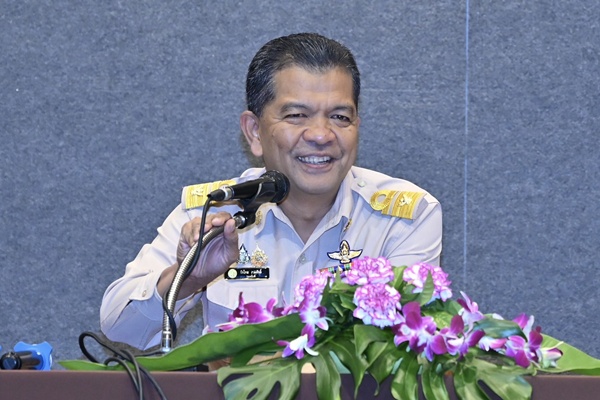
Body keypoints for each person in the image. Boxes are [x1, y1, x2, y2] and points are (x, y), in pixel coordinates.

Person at [100, 32, 442, 350]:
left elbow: (403, 350)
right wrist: (188, 277)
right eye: (296, 115)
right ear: (254, 132)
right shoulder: (216, 211)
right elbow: (120, 328)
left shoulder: (404, 217)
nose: (321, 135)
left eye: (340, 117)